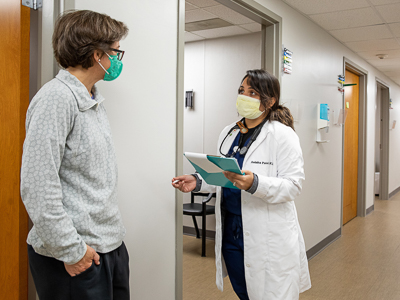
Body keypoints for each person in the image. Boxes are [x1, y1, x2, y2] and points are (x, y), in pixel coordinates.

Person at [172, 69, 311, 300]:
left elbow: (293, 186)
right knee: (244, 291)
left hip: (267, 232)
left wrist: (255, 183)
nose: (244, 97)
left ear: (270, 100)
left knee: (269, 294)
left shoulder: (282, 135)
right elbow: (223, 175)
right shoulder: (229, 132)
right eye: (241, 91)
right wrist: (197, 181)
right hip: (231, 229)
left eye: (252, 92)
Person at [20, 10, 130, 300]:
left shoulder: (91, 98)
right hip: (74, 256)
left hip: (107, 245)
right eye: (117, 52)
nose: (118, 59)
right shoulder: (56, 99)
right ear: (97, 54)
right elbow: (37, 185)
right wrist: (72, 250)